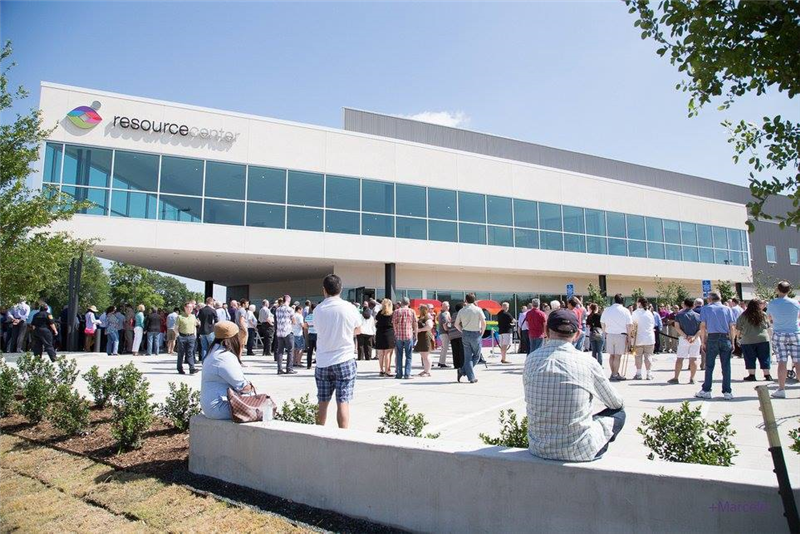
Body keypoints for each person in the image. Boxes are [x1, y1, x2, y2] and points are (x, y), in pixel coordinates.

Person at [524, 309, 625, 462]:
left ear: (546, 331)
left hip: (539, 448)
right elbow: (616, 403)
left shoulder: (531, 359)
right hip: (578, 451)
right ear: (577, 334)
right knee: (619, 413)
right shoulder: (587, 362)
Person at [313, 274, 361, 429]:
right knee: (343, 402)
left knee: (322, 403)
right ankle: (343, 437)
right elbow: (358, 329)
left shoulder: (318, 309)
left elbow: (318, 330)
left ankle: (318, 434)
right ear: (341, 289)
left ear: (324, 290)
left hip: (323, 361)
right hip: (344, 358)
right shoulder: (349, 308)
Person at [200, 321, 255, 420]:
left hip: (211, 405)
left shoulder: (214, 352)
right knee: (263, 408)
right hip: (220, 406)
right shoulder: (224, 357)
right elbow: (242, 386)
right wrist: (251, 386)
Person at [695, 291, 736, 400]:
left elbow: (703, 326)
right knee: (726, 366)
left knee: (709, 365)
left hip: (712, 337)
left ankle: (706, 390)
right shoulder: (727, 309)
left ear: (710, 299)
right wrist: (732, 341)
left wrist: (703, 341)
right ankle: (727, 391)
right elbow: (732, 327)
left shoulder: (706, 309)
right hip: (725, 337)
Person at [767, 281, 800, 398]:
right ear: (789, 290)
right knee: (798, 361)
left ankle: (781, 389)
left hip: (779, 333)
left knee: (782, 362)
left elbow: (769, 317)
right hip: (794, 333)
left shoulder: (772, 303)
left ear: (777, 289)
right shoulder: (795, 303)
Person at [736, 299, 772, 382]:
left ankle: (752, 375)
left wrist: (738, 338)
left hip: (748, 339)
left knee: (749, 357)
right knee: (765, 357)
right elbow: (768, 326)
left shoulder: (743, 315)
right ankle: (767, 375)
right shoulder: (763, 314)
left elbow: (738, 329)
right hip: (763, 339)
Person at [668, 299, 702, 384]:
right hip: (695, 339)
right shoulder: (698, 316)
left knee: (680, 359)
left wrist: (685, 336)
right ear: (693, 305)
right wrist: (694, 337)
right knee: (693, 359)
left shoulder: (679, 315)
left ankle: (676, 378)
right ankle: (692, 378)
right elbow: (701, 329)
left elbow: (677, 327)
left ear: (684, 305)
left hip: (684, 339)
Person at [600, 294, 633, 381]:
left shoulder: (607, 310)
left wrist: (605, 332)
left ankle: (614, 373)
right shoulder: (625, 311)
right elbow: (629, 325)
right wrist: (629, 337)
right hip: (621, 335)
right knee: (617, 356)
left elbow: (602, 322)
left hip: (610, 334)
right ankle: (615, 374)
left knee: (611, 356)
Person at [455, 293, 486, 384]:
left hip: (465, 333)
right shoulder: (478, 309)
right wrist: (482, 332)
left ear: (466, 300)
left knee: (467, 357)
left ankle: (465, 372)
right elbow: (483, 323)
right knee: (477, 355)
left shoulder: (462, 310)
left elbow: (456, 324)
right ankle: (467, 374)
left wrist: (462, 331)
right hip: (475, 333)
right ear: (474, 300)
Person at [392, 297, 418, 379]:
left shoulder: (396, 311)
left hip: (399, 335)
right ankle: (407, 374)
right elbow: (415, 324)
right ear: (409, 303)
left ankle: (399, 374)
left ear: (401, 303)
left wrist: (396, 332)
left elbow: (394, 323)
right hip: (408, 335)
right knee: (408, 355)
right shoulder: (412, 311)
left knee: (399, 355)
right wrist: (416, 335)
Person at [631, 298, 656, 380]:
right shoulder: (650, 313)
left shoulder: (635, 313)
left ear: (639, 303)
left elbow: (633, 325)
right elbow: (652, 324)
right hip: (649, 337)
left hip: (638, 338)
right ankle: (649, 374)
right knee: (648, 356)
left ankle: (638, 373)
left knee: (638, 356)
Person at [175, 301, 200, 375]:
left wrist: (194, 335)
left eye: (191, 307)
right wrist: (178, 336)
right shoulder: (180, 317)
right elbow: (175, 328)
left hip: (191, 336)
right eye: (188, 307)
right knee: (181, 353)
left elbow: (195, 326)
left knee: (190, 353)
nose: (190, 309)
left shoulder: (193, 316)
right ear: (185, 308)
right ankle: (179, 368)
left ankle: (192, 368)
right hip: (182, 336)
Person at [275, 296, 296, 375]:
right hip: (287, 331)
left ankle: (279, 369)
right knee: (290, 350)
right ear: (288, 300)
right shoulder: (290, 309)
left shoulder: (278, 309)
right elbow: (294, 321)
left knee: (280, 351)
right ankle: (289, 368)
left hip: (279, 332)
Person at [375, 299, 395, 377]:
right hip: (389, 334)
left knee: (380, 353)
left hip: (380, 333)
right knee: (387, 353)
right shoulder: (392, 314)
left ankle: (381, 370)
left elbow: (376, 322)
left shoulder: (379, 313)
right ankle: (387, 371)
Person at [414, 304, 434, 376]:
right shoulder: (421, 317)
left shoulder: (427, 317)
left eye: (419, 308)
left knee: (426, 355)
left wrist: (420, 330)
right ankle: (425, 370)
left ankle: (428, 371)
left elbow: (429, 326)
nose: (418, 309)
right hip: (421, 337)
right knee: (423, 355)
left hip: (425, 337)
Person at [437, 301, 452, 368]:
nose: (447, 307)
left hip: (443, 333)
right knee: (445, 348)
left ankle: (441, 362)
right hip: (444, 333)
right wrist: (449, 331)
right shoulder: (443, 314)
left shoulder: (446, 313)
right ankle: (442, 363)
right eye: (446, 306)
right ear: (442, 306)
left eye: (448, 306)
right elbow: (445, 326)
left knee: (444, 348)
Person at [303, 303, 317, 369]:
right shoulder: (319, 316)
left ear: (311, 308)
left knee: (310, 351)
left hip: (310, 334)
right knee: (318, 351)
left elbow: (305, 326)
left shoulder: (308, 317)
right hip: (317, 334)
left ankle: (309, 365)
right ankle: (319, 364)